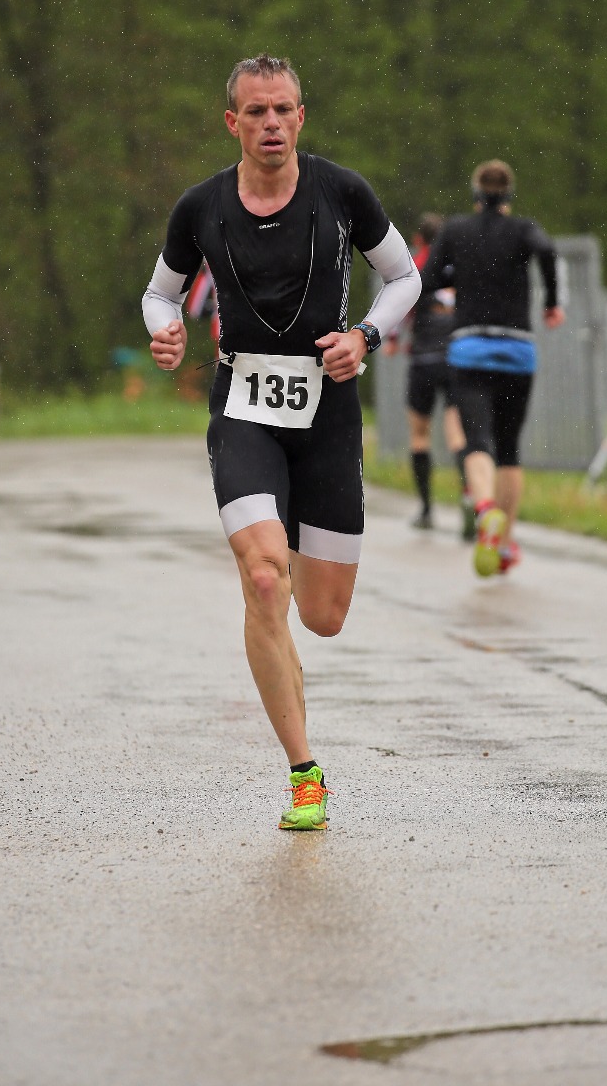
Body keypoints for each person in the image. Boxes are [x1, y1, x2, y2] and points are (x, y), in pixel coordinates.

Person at [142, 54, 421, 830]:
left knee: (323, 616)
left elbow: (404, 279)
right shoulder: (199, 205)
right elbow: (159, 291)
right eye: (255, 112)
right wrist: (163, 330)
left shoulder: (343, 192)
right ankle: (304, 773)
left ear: (302, 116)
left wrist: (363, 336)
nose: (270, 124)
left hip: (326, 410)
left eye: (283, 110)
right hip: (243, 404)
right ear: (232, 122)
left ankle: (293, 598)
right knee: (264, 579)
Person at [420, 160, 565, 577]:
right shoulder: (523, 230)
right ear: (508, 195)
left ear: (475, 193)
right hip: (517, 351)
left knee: (476, 441)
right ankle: (503, 545)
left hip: (470, 350)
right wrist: (552, 301)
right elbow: (548, 249)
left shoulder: (455, 231)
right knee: (509, 449)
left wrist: (454, 277)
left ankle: (486, 513)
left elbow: (427, 279)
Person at [382, 212, 473, 537]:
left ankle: (426, 509)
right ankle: (468, 498)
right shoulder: (462, 266)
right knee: (457, 435)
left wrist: (391, 340)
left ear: (419, 239)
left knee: (419, 434)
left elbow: (401, 304)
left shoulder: (418, 264)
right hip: (456, 357)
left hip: (423, 358)